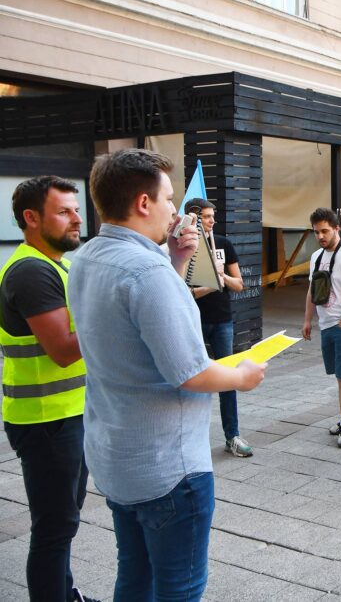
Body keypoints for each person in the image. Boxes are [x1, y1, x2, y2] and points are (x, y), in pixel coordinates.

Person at [67, 149, 266, 600]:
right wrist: (242, 375)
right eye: (169, 199)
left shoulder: (87, 257)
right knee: (179, 589)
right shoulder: (146, 271)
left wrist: (176, 261)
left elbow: (137, 329)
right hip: (168, 466)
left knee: (134, 579)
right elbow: (190, 372)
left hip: (117, 455)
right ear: (143, 203)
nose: (175, 211)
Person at [1, 177, 98, 602]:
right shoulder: (31, 271)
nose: (77, 218)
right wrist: (114, 317)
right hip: (45, 422)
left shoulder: (57, 263)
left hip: (66, 414)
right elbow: (62, 350)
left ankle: (66, 593)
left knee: (64, 521)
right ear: (31, 218)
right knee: (54, 527)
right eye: (65, 211)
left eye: (76, 209)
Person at [186, 197, 253, 458]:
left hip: (223, 319)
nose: (211, 221)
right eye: (205, 216)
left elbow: (239, 284)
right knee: (194, 379)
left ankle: (232, 436)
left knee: (227, 377)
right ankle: (193, 438)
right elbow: (185, 293)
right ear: (193, 217)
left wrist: (221, 275)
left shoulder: (223, 243)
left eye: (213, 216)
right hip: (195, 321)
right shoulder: (185, 248)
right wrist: (210, 284)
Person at [302, 207, 341, 448]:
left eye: (325, 231)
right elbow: (312, 289)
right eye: (316, 232)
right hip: (328, 323)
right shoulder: (316, 256)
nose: (320, 236)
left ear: (337, 229)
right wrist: (308, 319)